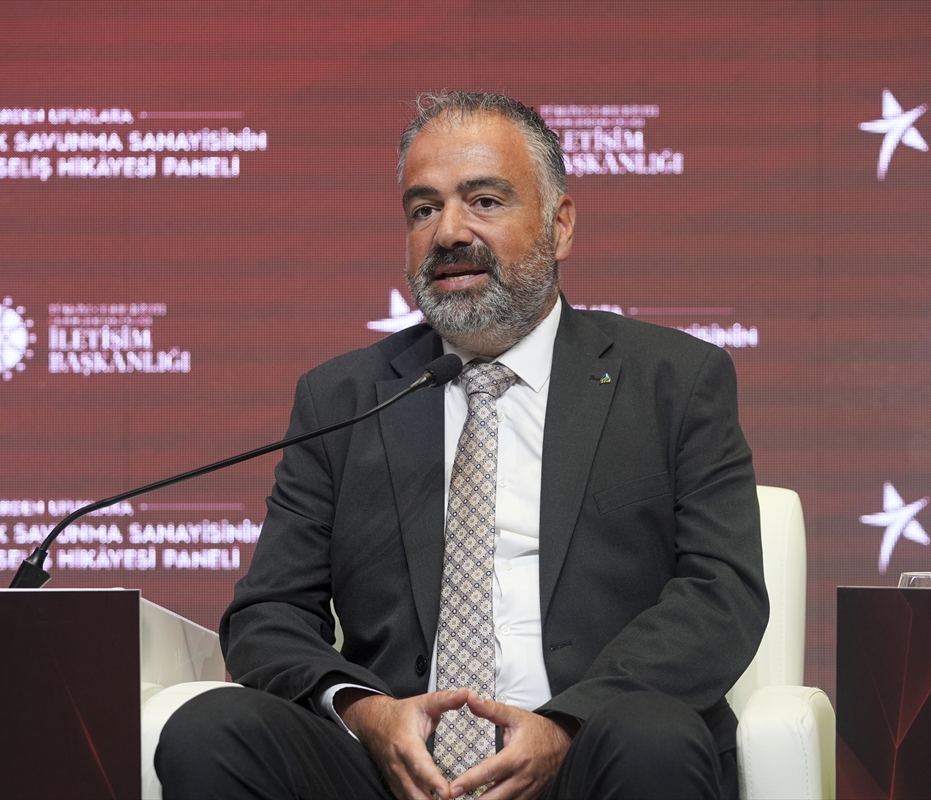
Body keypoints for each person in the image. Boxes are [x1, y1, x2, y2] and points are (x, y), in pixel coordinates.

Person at [156, 91, 768, 800]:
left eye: (484, 201)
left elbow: (721, 596)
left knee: (653, 735)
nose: (449, 232)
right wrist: (369, 715)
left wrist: (567, 724)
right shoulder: (344, 399)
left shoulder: (673, 380)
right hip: (392, 772)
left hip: (593, 755)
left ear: (560, 225)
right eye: (424, 209)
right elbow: (268, 616)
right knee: (210, 730)